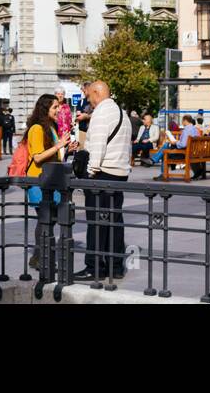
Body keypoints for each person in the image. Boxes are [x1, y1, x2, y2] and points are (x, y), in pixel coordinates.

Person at [76, 81, 130, 280]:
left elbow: (97, 146)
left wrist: (90, 173)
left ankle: (94, 267)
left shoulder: (100, 114)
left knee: (97, 222)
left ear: (97, 93)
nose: (89, 101)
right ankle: (115, 267)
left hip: (102, 174)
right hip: (120, 173)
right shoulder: (121, 112)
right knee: (114, 221)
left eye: (89, 96)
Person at [24, 94, 72, 269]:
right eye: (55, 107)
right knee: (45, 218)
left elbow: (53, 154)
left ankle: (39, 256)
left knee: (48, 219)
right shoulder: (36, 128)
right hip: (38, 179)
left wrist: (65, 148)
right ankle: (41, 257)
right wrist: (58, 145)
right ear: (45, 109)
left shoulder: (51, 126)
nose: (59, 110)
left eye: (58, 107)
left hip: (50, 179)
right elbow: (37, 158)